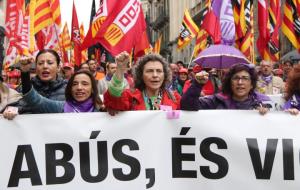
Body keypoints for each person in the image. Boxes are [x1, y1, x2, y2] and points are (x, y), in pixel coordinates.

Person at [17, 59, 104, 114]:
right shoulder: (61, 107)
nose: (79, 87)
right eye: (74, 84)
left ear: (92, 89)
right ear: (70, 89)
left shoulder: (103, 110)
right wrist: (25, 73)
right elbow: (33, 100)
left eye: (85, 84)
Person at [104, 52, 181, 113]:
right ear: (141, 75)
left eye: (159, 71)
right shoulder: (131, 97)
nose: (155, 75)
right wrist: (120, 69)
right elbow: (114, 99)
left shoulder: (175, 97)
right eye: (149, 71)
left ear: (165, 75)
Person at [181, 63, 271, 114]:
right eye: (236, 78)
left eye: (245, 78)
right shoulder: (217, 101)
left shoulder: (261, 103)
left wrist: (266, 115)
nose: (240, 82)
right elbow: (187, 105)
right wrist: (197, 85)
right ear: (229, 82)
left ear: (251, 84)